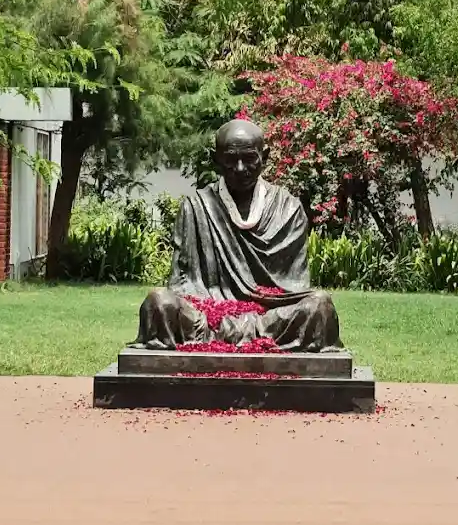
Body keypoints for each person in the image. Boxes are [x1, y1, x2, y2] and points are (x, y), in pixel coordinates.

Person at [131, 119, 344, 352]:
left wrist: (252, 316)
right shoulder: (196, 207)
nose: (241, 168)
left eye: (250, 158)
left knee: (320, 305)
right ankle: (239, 340)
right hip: (206, 319)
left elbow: (294, 286)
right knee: (158, 301)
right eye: (231, 160)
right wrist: (218, 314)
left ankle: (232, 339)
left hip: (270, 320)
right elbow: (181, 284)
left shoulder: (288, 209)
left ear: (266, 156)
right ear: (216, 159)